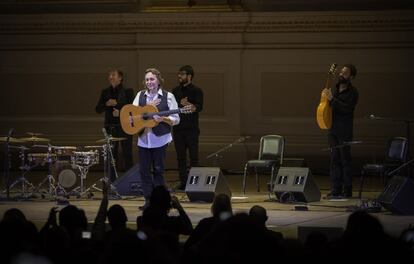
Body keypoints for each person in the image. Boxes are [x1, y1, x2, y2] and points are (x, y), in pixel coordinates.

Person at [132, 68, 180, 210]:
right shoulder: (140, 95)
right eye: (147, 79)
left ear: (158, 80)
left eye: (152, 79)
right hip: (143, 139)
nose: (149, 82)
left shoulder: (168, 96)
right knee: (144, 171)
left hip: (160, 139)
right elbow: (133, 115)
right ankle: (148, 200)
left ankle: (160, 201)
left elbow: (176, 119)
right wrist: (149, 108)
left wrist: (163, 118)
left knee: (158, 170)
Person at [323, 64, 359, 198]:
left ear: (351, 76)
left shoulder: (353, 92)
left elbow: (347, 109)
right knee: (334, 160)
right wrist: (324, 98)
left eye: (345, 73)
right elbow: (327, 107)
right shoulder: (334, 89)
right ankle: (335, 189)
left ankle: (347, 190)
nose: (341, 75)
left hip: (344, 131)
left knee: (345, 160)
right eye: (341, 72)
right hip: (332, 129)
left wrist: (332, 99)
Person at [95, 69, 134, 181]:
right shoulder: (105, 92)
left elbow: (131, 108)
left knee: (127, 154)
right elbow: (98, 109)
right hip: (110, 127)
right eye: (109, 75)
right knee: (111, 155)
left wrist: (118, 106)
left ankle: (129, 181)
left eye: (113, 75)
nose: (110, 77)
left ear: (120, 78)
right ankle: (112, 181)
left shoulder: (128, 91)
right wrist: (106, 104)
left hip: (125, 126)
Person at [172, 65, 204, 191]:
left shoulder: (197, 91)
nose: (179, 76)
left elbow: (199, 107)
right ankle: (184, 182)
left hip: (192, 129)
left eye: (182, 74)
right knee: (180, 157)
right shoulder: (175, 91)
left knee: (193, 157)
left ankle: (194, 183)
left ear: (189, 76)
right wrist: (180, 104)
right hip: (178, 129)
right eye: (179, 74)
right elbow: (172, 108)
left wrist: (189, 104)